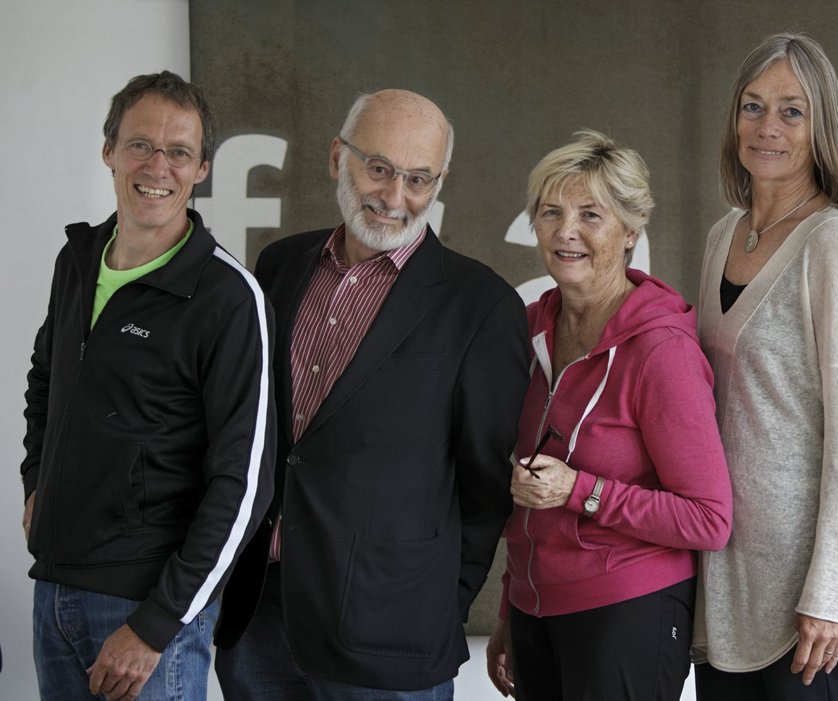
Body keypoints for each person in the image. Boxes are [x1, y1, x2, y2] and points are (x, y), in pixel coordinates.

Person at [212, 89, 529, 699]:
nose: (394, 197)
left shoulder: (481, 305)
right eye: (378, 168)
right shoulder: (279, 265)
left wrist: (436, 606)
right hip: (259, 616)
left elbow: (485, 489)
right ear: (338, 157)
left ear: (440, 181)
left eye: (418, 179)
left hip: (389, 635)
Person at [21, 71, 275, 701]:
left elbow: (244, 485)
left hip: (145, 614)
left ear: (202, 169)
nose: (157, 166)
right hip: (54, 589)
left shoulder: (227, 298)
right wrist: (36, 486)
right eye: (140, 145)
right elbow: (44, 381)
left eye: (179, 152)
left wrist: (157, 624)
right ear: (110, 150)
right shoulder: (77, 260)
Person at [484, 129, 733, 701]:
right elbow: (527, 493)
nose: (566, 231)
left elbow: (708, 519)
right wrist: (510, 604)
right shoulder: (530, 329)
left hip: (629, 610)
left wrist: (581, 490)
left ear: (630, 233)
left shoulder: (660, 351)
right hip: (535, 609)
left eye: (590, 214)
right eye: (550, 212)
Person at [690, 33, 838, 701]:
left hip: (810, 608)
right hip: (727, 584)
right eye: (752, 106)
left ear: (821, 126)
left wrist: (829, 591)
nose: (766, 127)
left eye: (791, 111)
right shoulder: (723, 236)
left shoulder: (833, 245)